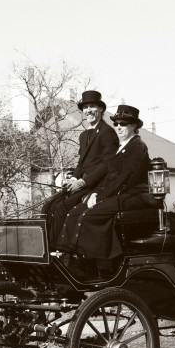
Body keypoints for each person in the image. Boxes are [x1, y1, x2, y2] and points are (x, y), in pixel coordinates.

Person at [56, 104, 154, 267]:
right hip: (119, 194)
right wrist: (93, 194)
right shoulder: (120, 148)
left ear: (134, 126)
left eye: (123, 124)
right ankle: (71, 257)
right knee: (74, 212)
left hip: (134, 196)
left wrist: (100, 197)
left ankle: (102, 264)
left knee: (90, 215)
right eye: (116, 124)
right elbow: (109, 178)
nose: (118, 127)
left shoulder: (137, 147)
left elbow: (123, 179)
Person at [42, 90, 119, 242]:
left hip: (97, 185)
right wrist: (74, 178)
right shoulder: (83, 136)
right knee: (49, 205)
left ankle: (59, 250)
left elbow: (107, 165)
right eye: (85, 107)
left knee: (63, 208)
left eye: (92, 107)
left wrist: (83, 182)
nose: (88, 110)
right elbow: (81, 163)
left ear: (101, 109)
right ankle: (47, 246)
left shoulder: (107, 133)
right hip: (82, 183)